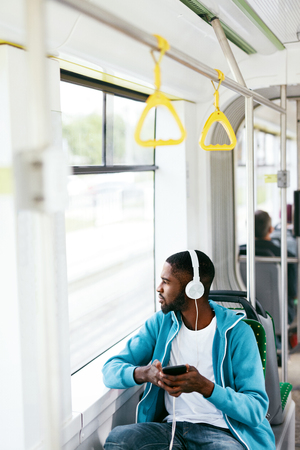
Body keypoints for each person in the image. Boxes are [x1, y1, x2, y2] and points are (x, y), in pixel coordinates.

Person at [102, 250, 275, 450]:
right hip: (171, 428)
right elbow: (110, 369)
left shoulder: (237, 333)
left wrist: (206, 387)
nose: (159, 288)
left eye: (166, 282)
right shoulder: (161, 324)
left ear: (193, 289)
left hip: (224, 432)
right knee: (119, 440)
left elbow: (255, 409)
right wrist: (145, 373)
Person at [239, 210, 296, 324]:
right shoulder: (287, 257)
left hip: (245, 314)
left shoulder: (239, 254)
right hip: (280, 316)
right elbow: (293, 291)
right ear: (271, 229)